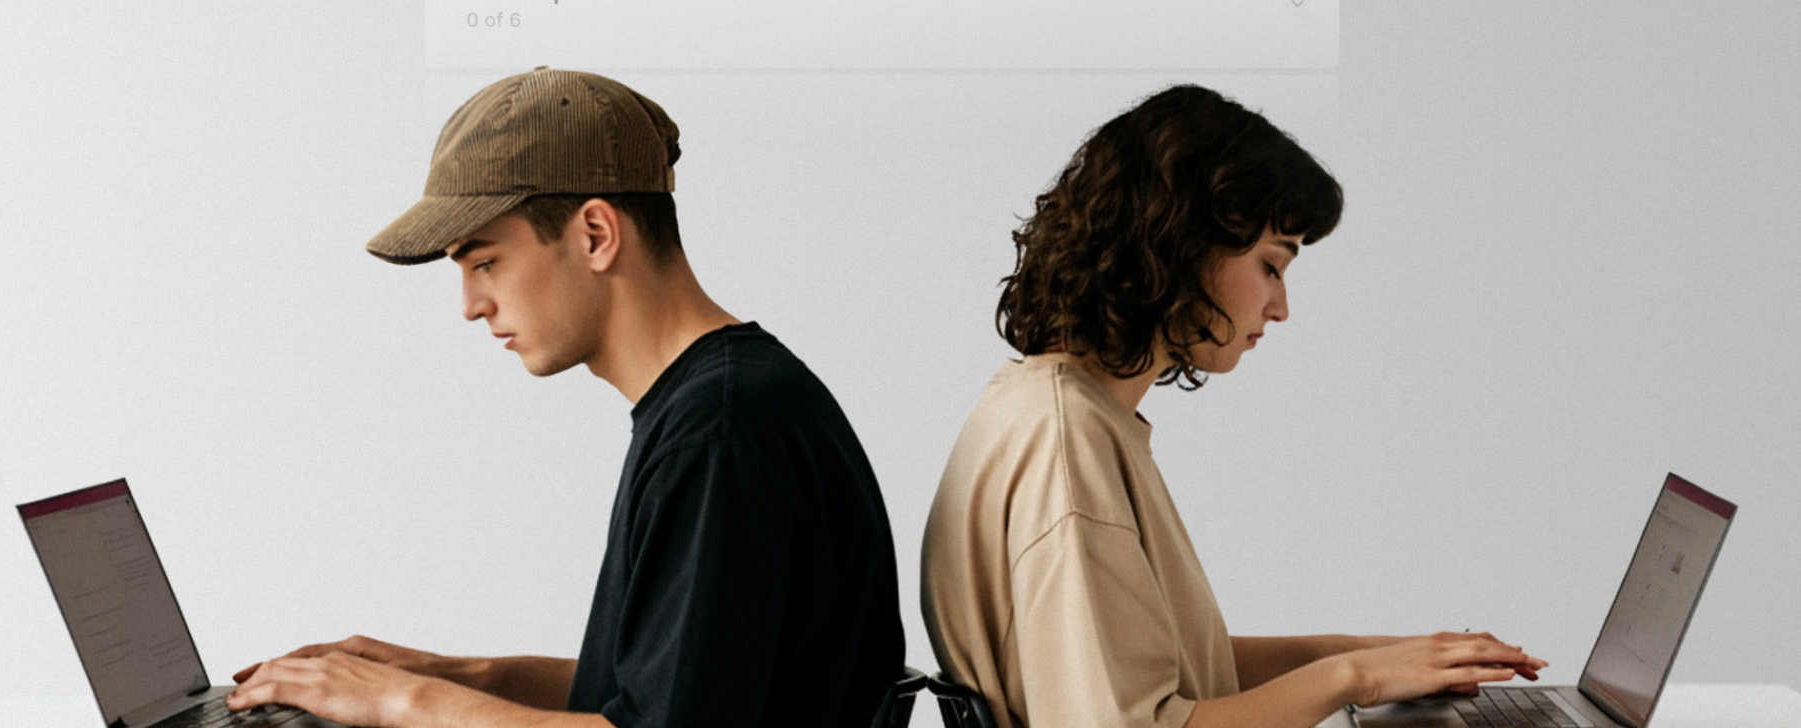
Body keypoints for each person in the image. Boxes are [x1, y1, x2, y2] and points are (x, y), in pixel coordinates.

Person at [225, 67, 906, 728]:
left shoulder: (721, 432)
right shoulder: (727, 402)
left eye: (484, 261)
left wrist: (401, 706)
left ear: (595, 235)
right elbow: (670, 688)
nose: (469, 305)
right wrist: (451, 676)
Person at [920, 85, 1548, 728]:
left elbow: (1187, 670)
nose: (1280, 307)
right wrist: (1354, 678)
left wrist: (1383, 658)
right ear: (1182, 246)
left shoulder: (1053, 410)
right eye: (1272, 266)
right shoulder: (1064, 444)